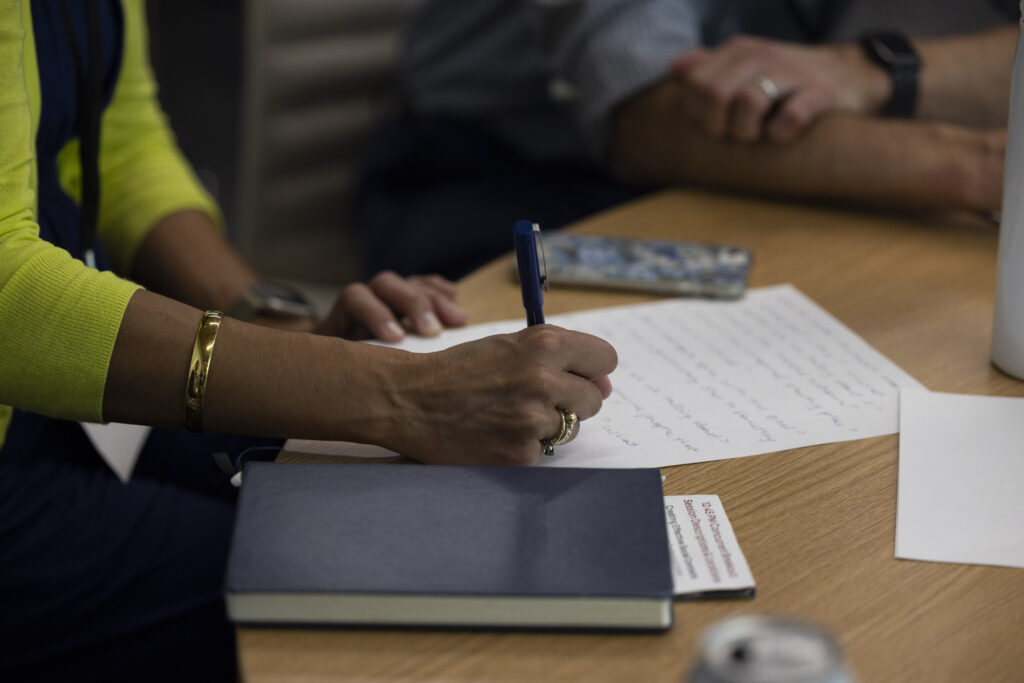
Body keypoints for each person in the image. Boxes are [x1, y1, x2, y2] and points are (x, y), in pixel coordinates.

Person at [0, 2, 616, 680]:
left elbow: (118, 141)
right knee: (406, 597)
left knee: (427, 519)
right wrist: (405, 392)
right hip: (24, 432)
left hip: (66, 396)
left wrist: (269, 321)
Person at [355, 0, 1016, 279]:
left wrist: (876, 72)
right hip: (515, 172)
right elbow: (652, 115)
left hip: (828, 185)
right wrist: (982, 165)